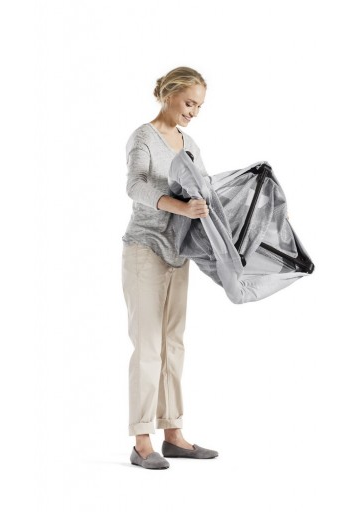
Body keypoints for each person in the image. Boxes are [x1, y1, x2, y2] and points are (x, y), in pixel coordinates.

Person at [121, 66, 218, 470]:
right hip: (145, 249)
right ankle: (142, 442)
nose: (193, 111)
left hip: (180, 252)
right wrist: (179, 206)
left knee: (173, 345)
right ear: (169, 95)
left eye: (199, 106)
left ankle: (173, 434)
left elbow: (205, 190)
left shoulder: (189, 144)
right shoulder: (143, 137)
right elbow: (136, 186)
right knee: (148, 346)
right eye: (189, 102)